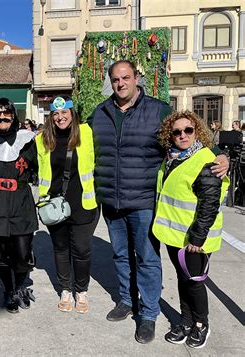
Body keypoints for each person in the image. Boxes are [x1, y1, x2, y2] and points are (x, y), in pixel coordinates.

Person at [87, 60, 229, 344]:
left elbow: (188, 132)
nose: (121, 83)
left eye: (126, 77)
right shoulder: (100, 112)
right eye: (115, 79)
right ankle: (127, 301)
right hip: (111, 200)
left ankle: (149, 314)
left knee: (147, 259)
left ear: (136, 78)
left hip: (143, 201)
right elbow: (79, 141)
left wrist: (220, 153)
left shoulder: (158, 109)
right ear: (110, 81)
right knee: (120, 256)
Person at [154, 110, 229, 348]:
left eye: (188, 130)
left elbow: (209, 205)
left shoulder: (206, 161)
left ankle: (200, 324)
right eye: (177, 132)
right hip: (175, 235)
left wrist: (197, 238)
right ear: (171, 135)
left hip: (195, 239)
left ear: (197, 131)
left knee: (194, 282)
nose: (183, 135)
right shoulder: (172, 158)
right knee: (183, 279)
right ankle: (185, 321)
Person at [36, 96, 99, 313]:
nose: (60, 117)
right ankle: (65, 289)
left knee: (81, 250)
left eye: (64, 113)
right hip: (54, 205)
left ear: (72, 113)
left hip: (82, 204)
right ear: (51, 117)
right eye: (55, 114)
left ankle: (81, 290)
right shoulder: (42, 139)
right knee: (61, 249)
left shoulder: (87, 133)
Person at [0, 98, 38, 313]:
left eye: (7, 114)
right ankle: (9, 291)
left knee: (23, 253)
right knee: (1, 253)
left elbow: (45, 163)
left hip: (21, 200)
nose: (3, 118)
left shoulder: (29, 140)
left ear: (14, 116)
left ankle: (21, 284)